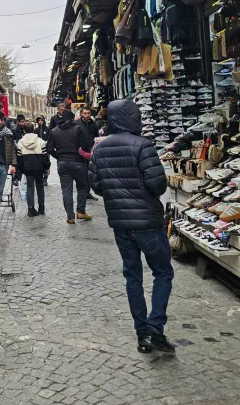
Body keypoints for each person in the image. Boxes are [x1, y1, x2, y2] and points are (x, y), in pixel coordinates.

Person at [88, 99, 175, 355]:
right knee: (162, 272)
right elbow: (158, 185)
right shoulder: (143, 145)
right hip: (148, 221)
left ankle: (142, 334)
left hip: (120, 223)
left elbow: (98, 187)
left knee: (132, 275)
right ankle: (155, 328)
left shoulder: (99, 150)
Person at [47, 109, 92, 224]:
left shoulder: (54, 131)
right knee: (82, 187)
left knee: (66, 190)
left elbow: (49, 148)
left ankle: (70, 216)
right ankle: (81, 212)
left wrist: (59, 156)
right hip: (78, 162)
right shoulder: (78, 129)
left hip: (62, 163)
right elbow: (86, 145)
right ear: (72, 119)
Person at [15, 123, 49, 216]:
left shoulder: (20, 142)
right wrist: (47, 167)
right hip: (39, 168)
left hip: (28, 168)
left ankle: (31, 209)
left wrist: (21, 170)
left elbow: (19, 159)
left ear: (24, 131)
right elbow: (45, 156)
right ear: (34, 130)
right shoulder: (40, 141)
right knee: (40, 187)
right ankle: (41, 207)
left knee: (30, 188)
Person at [76, 107, 100, 202]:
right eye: (85, 113)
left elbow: (96, 136)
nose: (87, 115)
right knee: (82, 172)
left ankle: (87, 192)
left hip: (90, 150)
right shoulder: (77, 124)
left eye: (88, 113)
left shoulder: (93, 123)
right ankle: (83, 192)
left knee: (89, 171)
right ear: (81, 114)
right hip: (80, 151)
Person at [34, 115, 52, 185]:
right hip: (38, 150)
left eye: (41, 120)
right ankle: (40, 178)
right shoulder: (36, 130)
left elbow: (50, 138)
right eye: (39, 120)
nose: (40, 122)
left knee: (46, 163)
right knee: (39, 164)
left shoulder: (48, 129)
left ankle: (45, 178)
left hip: (46, 150)